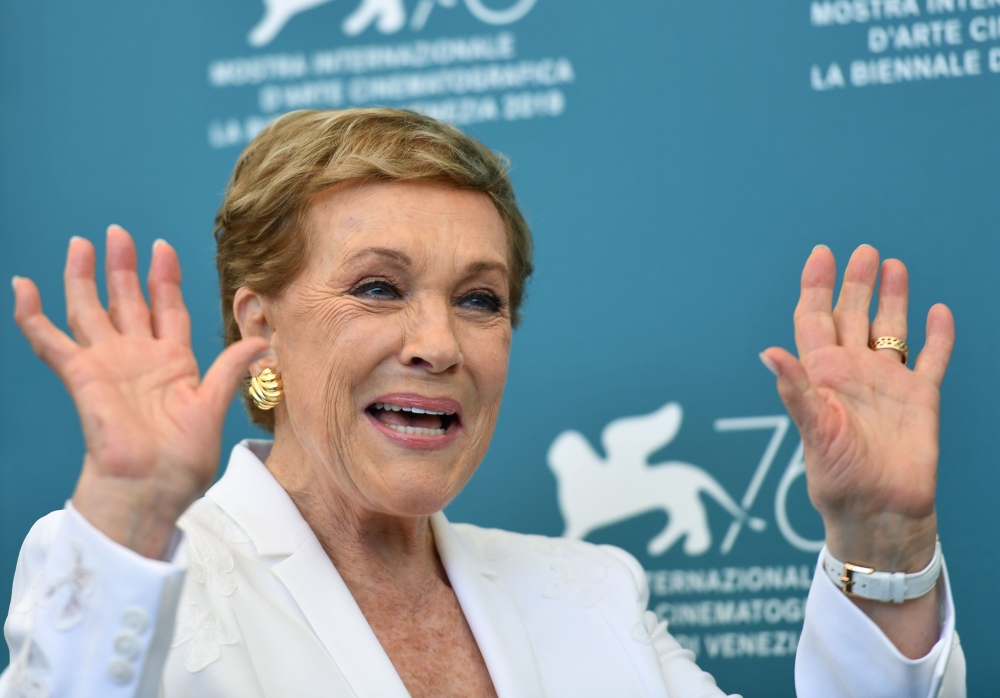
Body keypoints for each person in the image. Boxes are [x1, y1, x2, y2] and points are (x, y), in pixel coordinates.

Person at [4, 108, 964, 697]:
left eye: (479, 299)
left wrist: (883, 541)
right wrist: (129, 513)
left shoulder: (594, 593)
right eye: (379, 287)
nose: (438, 343)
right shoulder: (137, 575)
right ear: (259, 329)